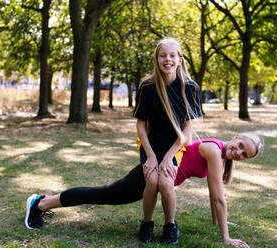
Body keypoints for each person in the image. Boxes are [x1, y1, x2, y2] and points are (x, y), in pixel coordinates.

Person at [25, 133, 264, 248]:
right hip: (147, 177)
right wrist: (225, 238)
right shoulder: (214, 150)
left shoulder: (219, 154)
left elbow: (215, 197)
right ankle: (41, 203)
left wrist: (220, 224)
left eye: (244, 155)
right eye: (240, 146)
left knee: (103, 195)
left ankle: (43, 201)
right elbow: (218, 198)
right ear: (236, 137)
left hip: (158, 180)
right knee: (101, 195)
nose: (239, 153)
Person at [133, 37, 201, 244]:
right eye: (163, 55)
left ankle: (170, 225)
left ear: (180, 60)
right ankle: (146, 223)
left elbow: (188, 128)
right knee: (152, 180)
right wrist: (152, 157)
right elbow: (140, 126)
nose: (167, 59)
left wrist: (168, 157)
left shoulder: (189, 87)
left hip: (176, 145)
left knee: (165, 181)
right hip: (150, 143)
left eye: (172, 55)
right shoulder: (147, 87)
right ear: (156, 59)